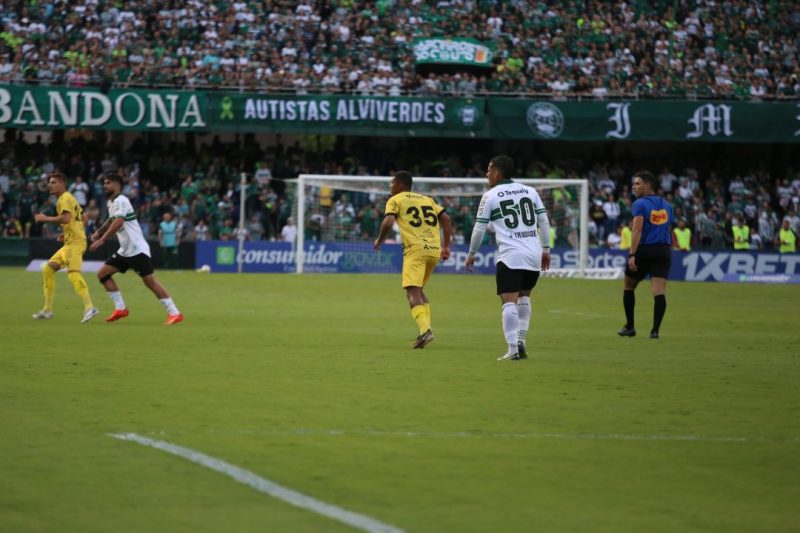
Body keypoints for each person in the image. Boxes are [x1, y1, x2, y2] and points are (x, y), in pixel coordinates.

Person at [465, 155, 551, 361]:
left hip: (511, 255)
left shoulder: (491, 195)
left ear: (497, 172)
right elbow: (544, 221)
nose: (486, 174)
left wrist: (472, 254)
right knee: (524, 297)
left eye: (488, 170)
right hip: (533, 253)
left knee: (509, 302)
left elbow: (479, 228)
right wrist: (546, 250)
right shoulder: (530, 191)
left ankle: (512, 348)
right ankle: (522, 340)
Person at [89, 173, 183, 325]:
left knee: (150, 282)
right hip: (125, 250)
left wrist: (101, 240)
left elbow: (119, 222)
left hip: (137, 250)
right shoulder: (111, 202)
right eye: (104, 183)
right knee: (103, 274)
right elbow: (111, 219)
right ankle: (120, 309)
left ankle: (175, 312)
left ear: (118, 185)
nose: (105, 186)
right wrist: (99, 231)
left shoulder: (121, 200)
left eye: (108, 183)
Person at [374, 171, 452, 349]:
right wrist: (446, 246)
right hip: (433, 250)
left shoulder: (396, 199)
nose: (390, 186)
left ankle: (426, 331)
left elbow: (387, 222)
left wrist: (379, 240)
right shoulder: (427, 199)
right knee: (419, 290)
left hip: (415, 250)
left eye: (392, 182)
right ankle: (424, 332)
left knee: (412, 292)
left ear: (400, 185)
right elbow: (446, 219)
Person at [31, 172, 99, 323]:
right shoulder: (69, 198)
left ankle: (90, 307)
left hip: (74, 244)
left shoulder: (65, 198)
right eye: (50, 182)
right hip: (71, 241)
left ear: (63, 184)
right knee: (48, 269)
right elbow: (84, 219)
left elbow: (66, 218)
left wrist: (45, 219)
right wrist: (68, 232)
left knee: (73, 274)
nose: (50, 185)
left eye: (54, 182)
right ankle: (47, 310)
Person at [618, 170, 675, 339]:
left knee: (628, 286)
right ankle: (655, 331)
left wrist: (632, 255)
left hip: (645, 250)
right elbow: (668, 228)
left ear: (648, 186)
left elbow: (637, 229)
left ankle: (630, 326)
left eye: (637, 183)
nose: (633, 187)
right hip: (663, 251)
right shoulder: (667, 205)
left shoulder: (640, 204)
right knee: (659, 292)